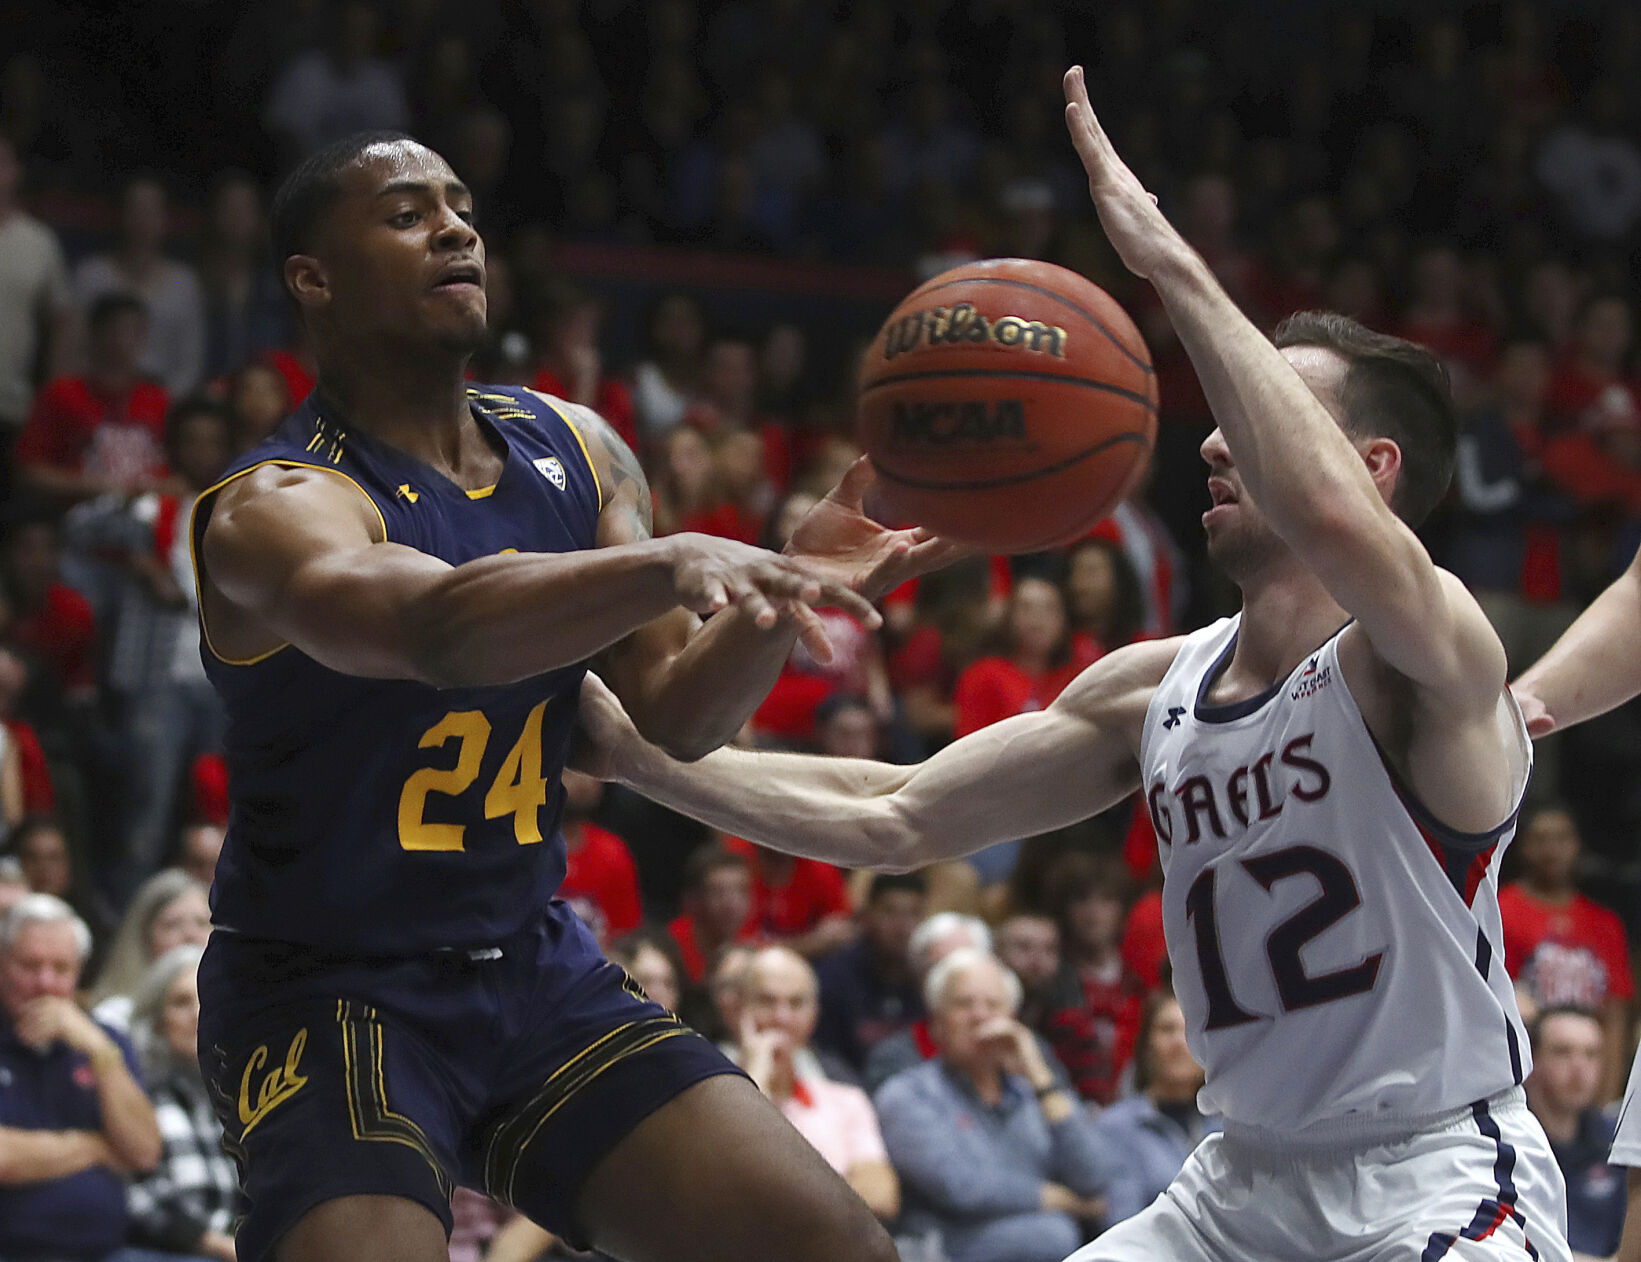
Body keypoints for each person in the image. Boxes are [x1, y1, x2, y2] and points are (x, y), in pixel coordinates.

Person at [576, 67, 1574, 1262]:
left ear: (1374, 465)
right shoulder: (1152, 691)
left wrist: (1167, 262)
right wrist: (632, 756)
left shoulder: (1428, 657)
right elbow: (893, 811)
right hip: (1236, 1185)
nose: (1212, 440)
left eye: (1252, 424)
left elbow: (1333, 518)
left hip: (1435, 1176)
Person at [187, 130, 939, 1262]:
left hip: (530, 963)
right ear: (312, 277)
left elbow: (680, 715)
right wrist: (666, 559)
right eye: (404, 213)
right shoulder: (274, 504)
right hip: (327, 989)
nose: (453, 228)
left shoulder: (577, 446)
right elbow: (439, 630)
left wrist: (779, 596)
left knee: (842, 1249)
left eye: (461, 207)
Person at [874, 948, 1113, 1262]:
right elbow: (958, 1186)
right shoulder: (907, 1094)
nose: (980, 1015)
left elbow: (1093, 1175)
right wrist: (1059, 1200)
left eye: (993, 1005)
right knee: (1053, 1235)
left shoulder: (1035, 1093)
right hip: (944, 1247)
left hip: (1040, 1240)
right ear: (937, 1023)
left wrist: (1039, 1074)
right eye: (963, 1004)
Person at [0, 893, 162, 1261]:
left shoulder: (105, 1040)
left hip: (109, 1252)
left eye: (61, 968)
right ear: (1, 962)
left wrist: (98, 1050)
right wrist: (95, 1146)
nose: (45, 982)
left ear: (79, 972)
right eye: (29, 965)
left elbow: (144, 1152)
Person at [734, 946, 900, 1221]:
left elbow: (881, 1195)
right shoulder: (704, 1093)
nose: (782, 1018)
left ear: (814, 1014)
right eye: (766, 1001)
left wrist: (782, 1200)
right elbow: (733, 1189)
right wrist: (756, 1080)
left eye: (797, 1004)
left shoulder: (845, 1099)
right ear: (739, 1008)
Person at [1498, 804, 1633, 1100]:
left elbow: (1615, 1015)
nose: (1552, 850)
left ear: (1577, 846)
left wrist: (1607, 1099)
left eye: (1561, 839)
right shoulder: (1501, 911)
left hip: (1586, 1070)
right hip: (1523, 1079)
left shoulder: (1604, 923)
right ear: (1523, 846)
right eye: (1541, 840)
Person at [125, 944, 243, 1262]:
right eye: (181, 1002)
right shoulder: (135, 1092)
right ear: (157, 1020)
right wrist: (218, 1246)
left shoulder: (246, 1093)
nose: (198, 1014)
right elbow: (136, 1196)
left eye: (209, 1000)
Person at [1090, 989, 1218, 1226]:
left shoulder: (1230, 1122)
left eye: (1190, 1030)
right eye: (1167, 1029)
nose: (1180, 1042)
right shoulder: (1117, 1126)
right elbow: (1122, 1223)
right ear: (1147, 1044)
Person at [1525, 1007, 1626, 1260]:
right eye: (1562, 1052)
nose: (1579, 1067)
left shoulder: (1616, 1143)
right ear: (1531, 1059)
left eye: (1591, 1055)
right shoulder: (1507, 1143)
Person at [813, 871, 927, 1074]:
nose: (902, 926)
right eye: (890, 912)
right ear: (866, 916)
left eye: (913, 913)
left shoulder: (927, 982)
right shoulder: (833, 980)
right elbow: (823, 1057)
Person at [89, 870, 212, 1032]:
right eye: (173, 924)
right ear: (144, 936)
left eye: (202, 923)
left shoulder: (236, 1007)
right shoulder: (114, 1016)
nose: (190, 935)